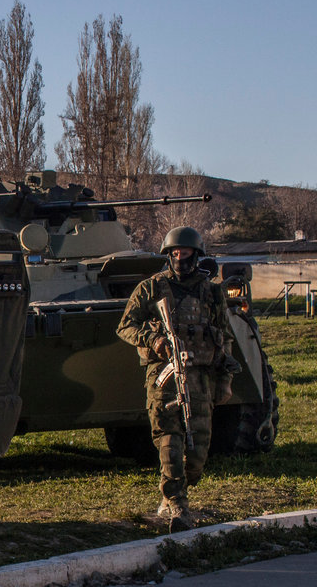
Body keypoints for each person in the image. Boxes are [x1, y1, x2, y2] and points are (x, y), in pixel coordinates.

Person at [116, 226, 236, 533]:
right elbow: (126, 326)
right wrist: (154, 339)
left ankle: (176, 491)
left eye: (185, 252)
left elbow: (224, 337)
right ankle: (177, 505)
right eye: (175, 253)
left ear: (197, 255)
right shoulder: (151, 288)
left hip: (201, 377)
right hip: (164, 378)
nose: (180, 258)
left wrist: (225, 380)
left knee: (197, 452)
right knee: (169, 441)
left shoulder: (212, 292)